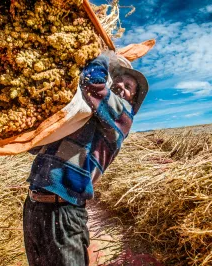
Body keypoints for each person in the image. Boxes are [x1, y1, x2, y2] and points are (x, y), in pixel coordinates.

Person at [23, 52, 149, 266]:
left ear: (132, 101)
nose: (122, 86)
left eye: (129, 87)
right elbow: (37, 148)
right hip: (33, 205)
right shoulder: (82, 116)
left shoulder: (122, 117)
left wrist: (104, 55)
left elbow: (93, 82)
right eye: (119, 80)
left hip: (64, 211)